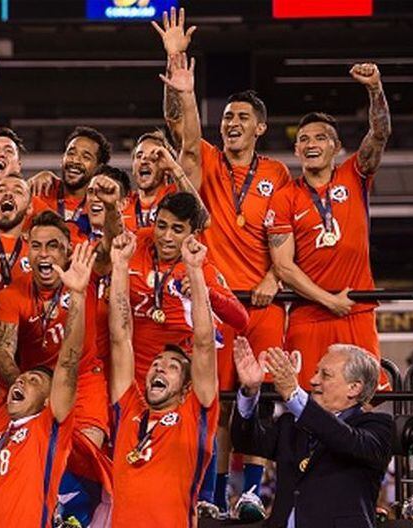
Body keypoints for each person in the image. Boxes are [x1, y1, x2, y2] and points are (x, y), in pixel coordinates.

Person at [156, 8, 293, 517]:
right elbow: (185, 134)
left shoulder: (278, 173)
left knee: (256, 399)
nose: (232, 123)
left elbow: (287, 236)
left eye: (242, 118)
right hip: (212, 301)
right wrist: (179, 74)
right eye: (228, 117)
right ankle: (213, 495)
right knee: (214, 401)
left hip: (261, 301)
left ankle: (253, 491)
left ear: (261, 127)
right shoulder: (209, 158)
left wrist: (273, 275)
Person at [267, 63, 391, 389]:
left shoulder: (355, 175)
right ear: (296, 150)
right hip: (308, 314)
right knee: (305, 396)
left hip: (356, 310)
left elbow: (379, 134)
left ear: (336, 147)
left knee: (365, 396)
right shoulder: (284, 198)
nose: (311, 144)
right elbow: (283, 267)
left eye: (320, 138)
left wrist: (375, 89)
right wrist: (329, 300)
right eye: (304, 139)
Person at [0, 242, 92, 526]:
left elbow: (68, 360)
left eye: (33, 380)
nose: (21, 379)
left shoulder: (50, 426)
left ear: (47, 400)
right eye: (23, 377)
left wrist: (77, 296)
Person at [107, 229, 220, 527]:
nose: (159, 368)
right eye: (156, 363)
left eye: (172, 367)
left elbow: (204, 344)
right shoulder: (129, 409)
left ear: (186, 388)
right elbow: (120, 339)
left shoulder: (194, 415)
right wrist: (119, 266)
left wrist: (195, 271)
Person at [231, 341, 394, 528]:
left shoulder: (378, 427)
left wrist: (294, 395)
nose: (313, 380)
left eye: (325, 375)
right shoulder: (291, 424)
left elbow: (342, 438)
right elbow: (246, 442)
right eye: (316, 372)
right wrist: (250, 392)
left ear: (354, 388)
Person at [123, 191, 247, 381]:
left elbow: (241, 319)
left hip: (178, 378)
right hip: (132, 373)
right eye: (161, 226)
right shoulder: (137, 243)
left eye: (177, 229)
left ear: (193, 235)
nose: (166, 237)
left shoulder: (199, 268)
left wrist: (206, 293)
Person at [29, 127, 112, 221]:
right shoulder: (41, 190)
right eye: (71, 153)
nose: (75, 160)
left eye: (86, 157)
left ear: (98, 168)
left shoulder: (103, 206)